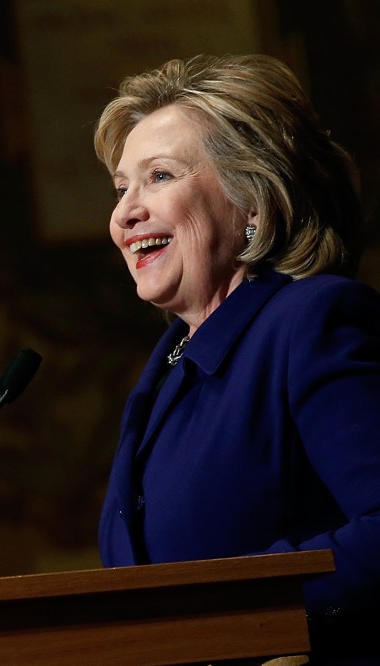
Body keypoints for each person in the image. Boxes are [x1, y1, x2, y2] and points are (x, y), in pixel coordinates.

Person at [94, 54, 380, 663]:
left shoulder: (312, 322)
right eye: (122, 189)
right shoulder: (170, 365)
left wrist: (251, 607)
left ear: (252, 200)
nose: (125, 212)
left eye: (160, 177)